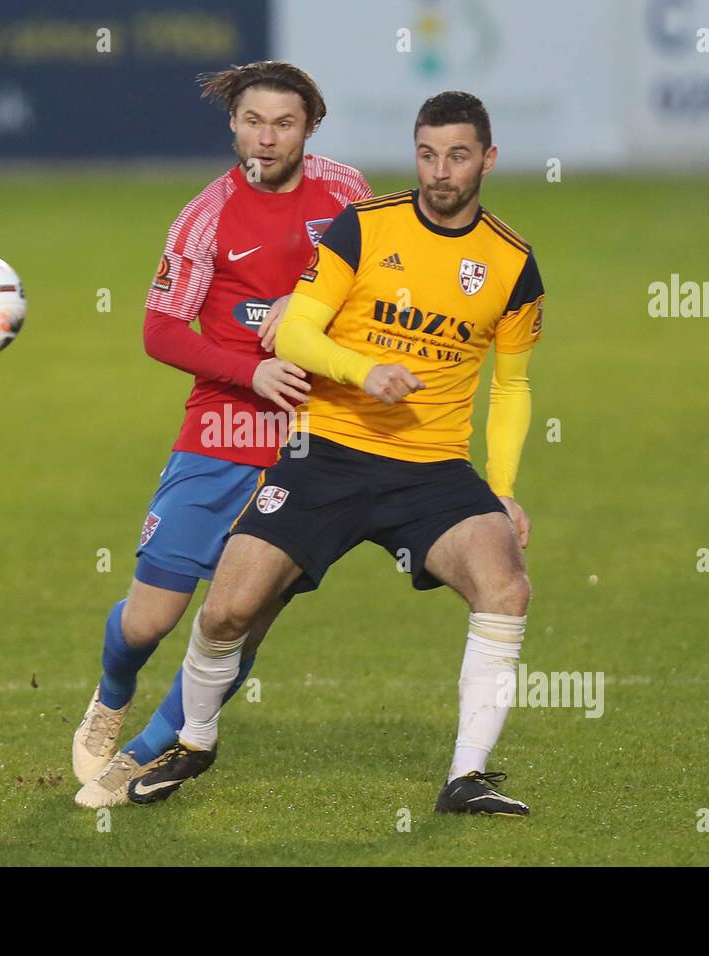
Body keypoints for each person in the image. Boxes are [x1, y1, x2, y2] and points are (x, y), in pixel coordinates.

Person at [127, 91, 544, 815]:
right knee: (227, 611)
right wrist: (363, 372)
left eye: (458, 155)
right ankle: (194, 741)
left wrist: (503, 489)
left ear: (488, 158)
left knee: (506, 585)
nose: (441, 172)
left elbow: (512, 386)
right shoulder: (363, 227)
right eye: (427, 154)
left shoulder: (512, 264)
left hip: (433, 469)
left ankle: (466, 776)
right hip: (329, 451)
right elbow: (296, 334)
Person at [72, 61, 372, 808]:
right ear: (232, 124)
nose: (266, 139)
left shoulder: (350, 195)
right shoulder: (205, 215)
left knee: (241, 615)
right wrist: (254, 374)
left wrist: (313, 322)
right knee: (151, 619)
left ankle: (148, 752)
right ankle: (112, 696)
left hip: (312, 442)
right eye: (252, 121)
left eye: (284, 123)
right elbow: (159, 331)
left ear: (311, 128)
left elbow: (380, 290)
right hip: (221, 428)